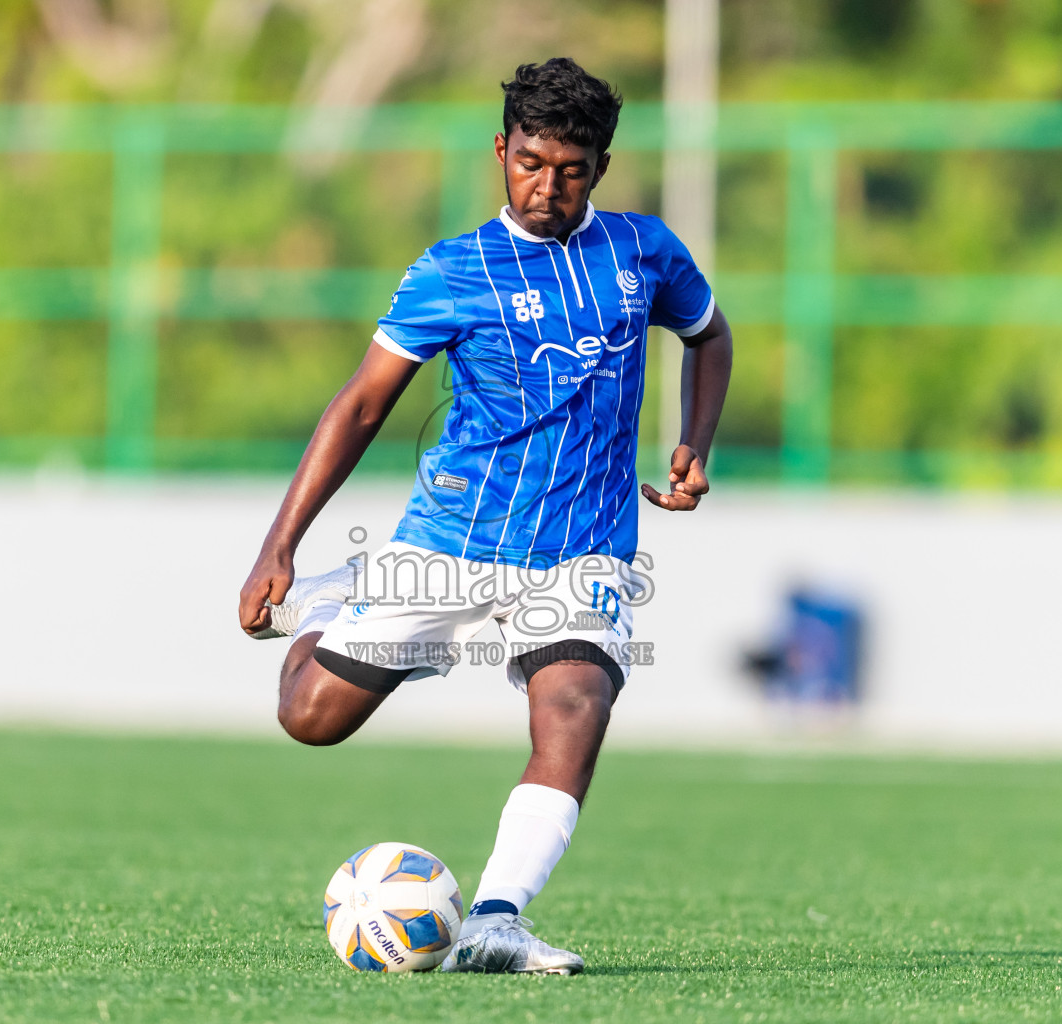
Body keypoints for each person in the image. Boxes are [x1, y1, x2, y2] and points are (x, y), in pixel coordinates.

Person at [237, 57, 732, 975]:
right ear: (502, 151)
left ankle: (497, 919)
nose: (549, 186)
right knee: (309, 717)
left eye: (572, 168)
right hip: (451, 544)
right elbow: (359, 407)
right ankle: (329, 600)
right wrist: (279, 547)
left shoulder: (644, 251)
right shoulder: (452, 272)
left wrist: (696, 440)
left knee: (578, 701)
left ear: (603, 167)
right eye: (532, 162)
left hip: (583, 553)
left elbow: (708, 335)